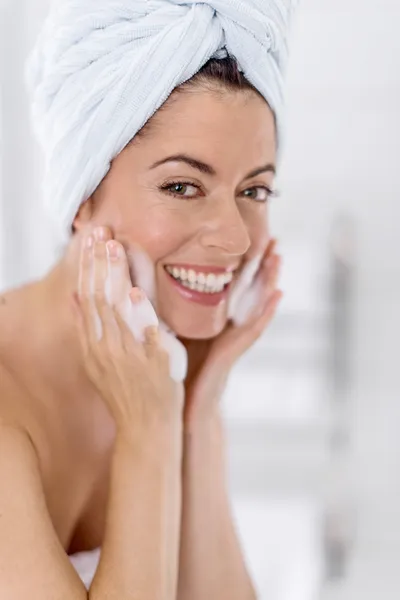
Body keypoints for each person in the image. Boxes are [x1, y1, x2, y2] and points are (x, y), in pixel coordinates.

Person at [0, 1, 296, 598]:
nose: (237, 236)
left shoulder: (156, 373)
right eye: (182, 186)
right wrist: (147, 434)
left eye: (254, 189)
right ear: (82, 195)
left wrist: (197, 415)